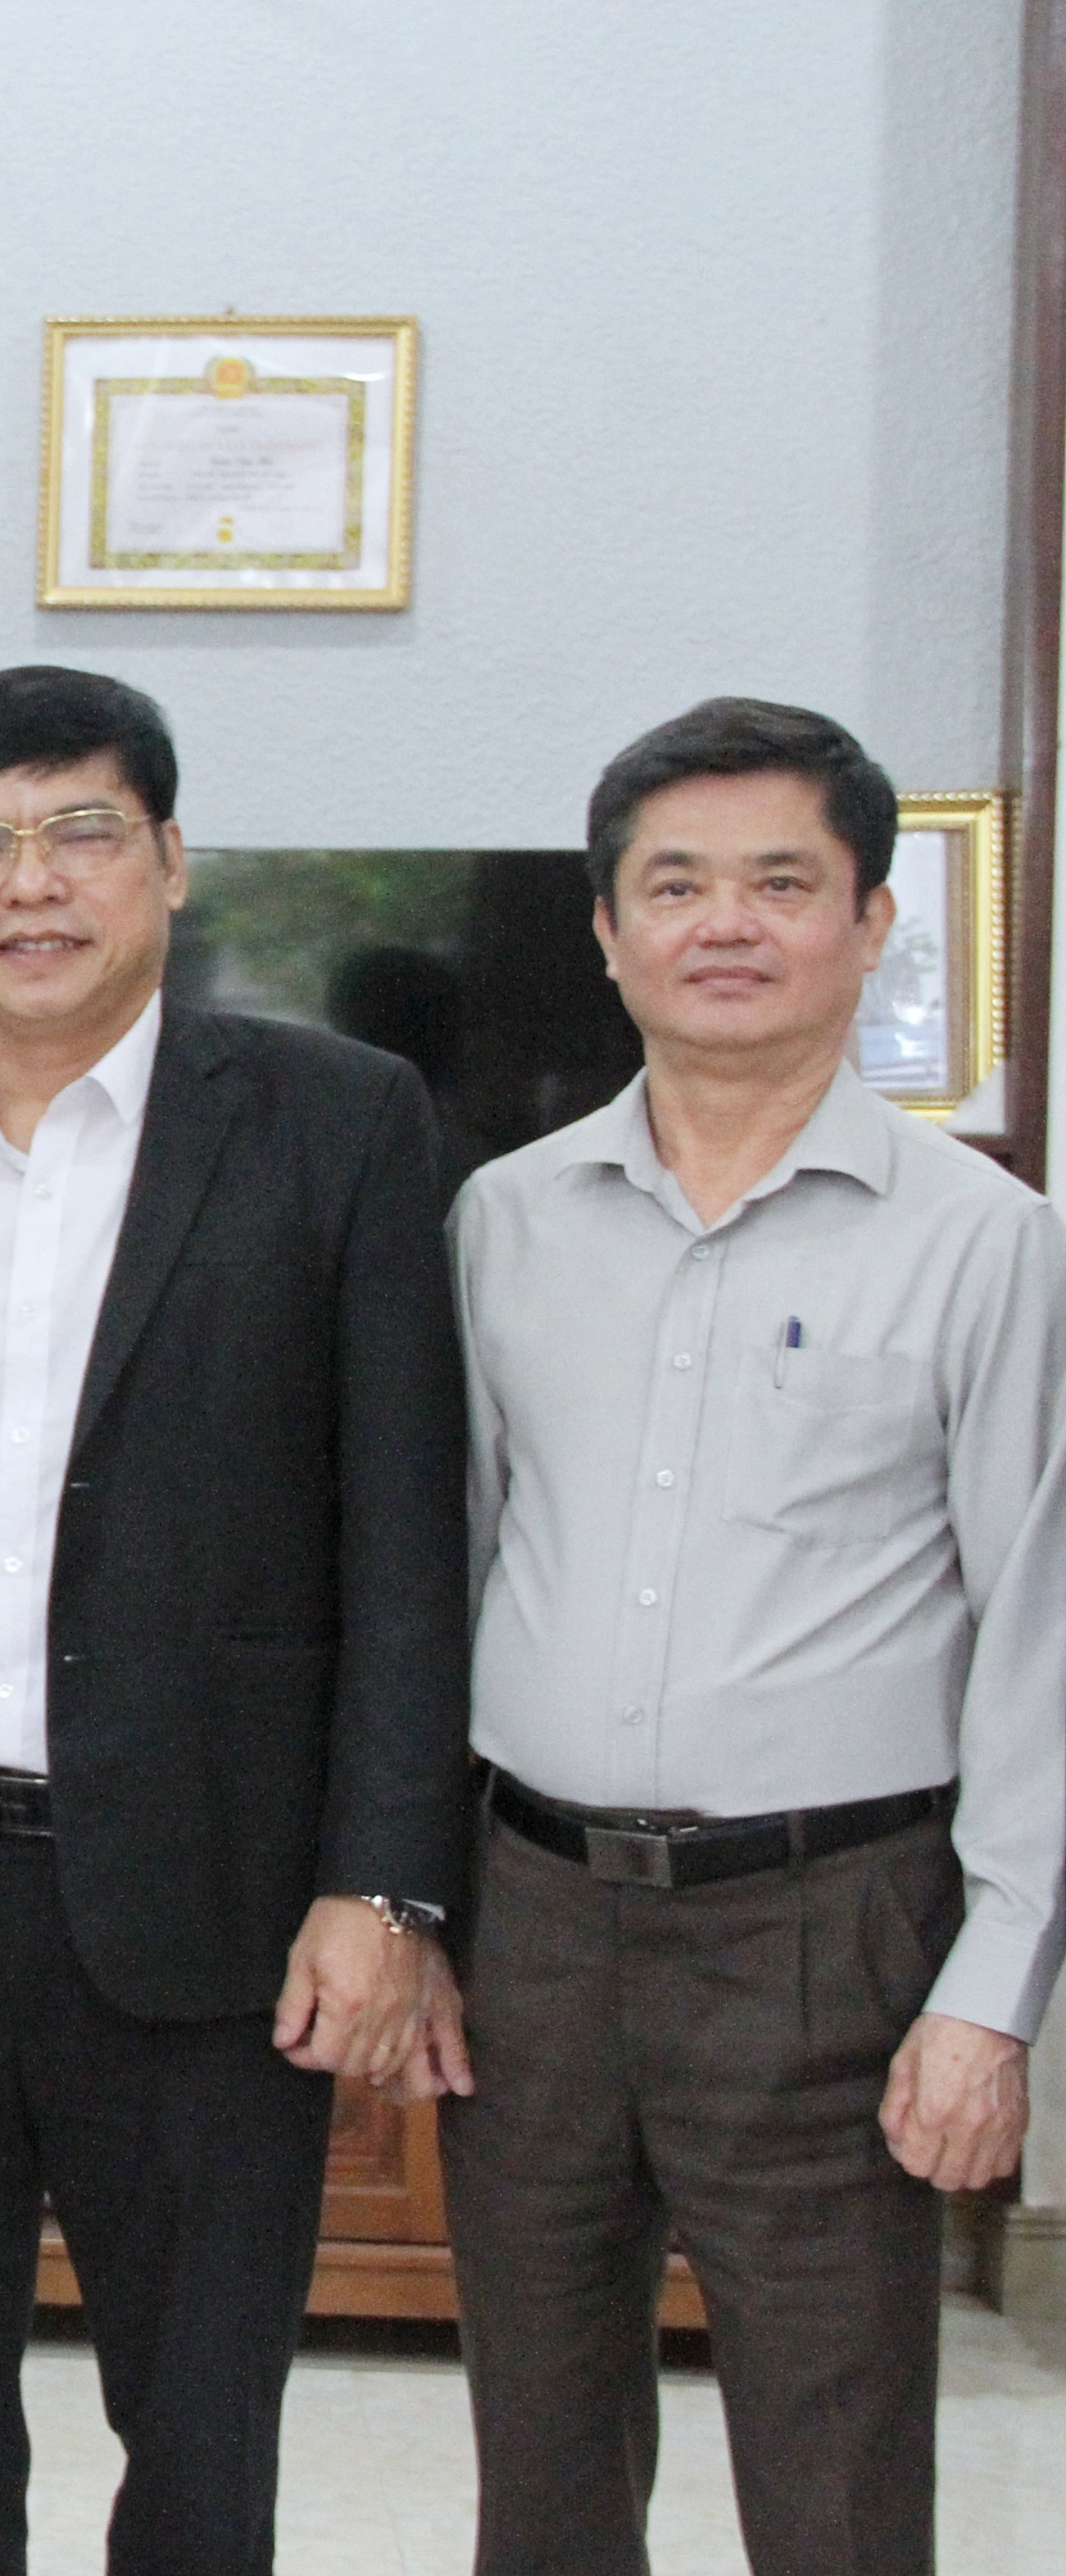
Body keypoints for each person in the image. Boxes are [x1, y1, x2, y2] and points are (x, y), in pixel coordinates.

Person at [0, 666, 474, 2576]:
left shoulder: (336, 1122)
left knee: (202, 2442)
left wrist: (386, 1886)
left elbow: (406, 1528)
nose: (28, 883)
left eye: (79, 834)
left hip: (218, 1912)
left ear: (170, 860)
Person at [441, 699, 1066, 2576]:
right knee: (538, 2458)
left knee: (838, 2465)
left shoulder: (986, 1241)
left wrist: (992, 1995)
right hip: (533, 1920)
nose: (730, 924)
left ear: (872, 922)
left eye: (784, 883)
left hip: (832, 1932)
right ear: (609, 930)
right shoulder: (504, 1221)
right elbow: (452, 1567)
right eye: (678, 884)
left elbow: (1042, 1625)